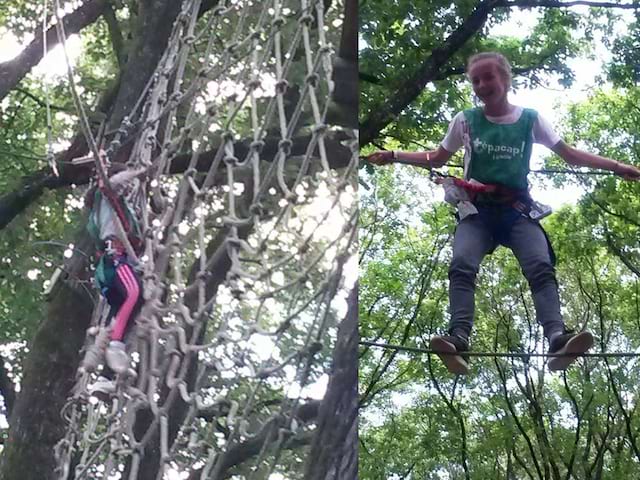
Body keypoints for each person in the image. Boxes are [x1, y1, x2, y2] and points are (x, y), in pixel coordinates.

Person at [367, 51, 640, 374]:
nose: (482, 85)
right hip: (477, 211)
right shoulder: (466, 120)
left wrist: (617, 166)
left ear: (506, 80)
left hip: (516, 211)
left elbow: (569, 155)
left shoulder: (530, 120)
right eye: (476, 80)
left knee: (540, 266)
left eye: (489, 78)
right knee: (462, 264)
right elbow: (438, 158)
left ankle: (557, 338)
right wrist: (395, 155)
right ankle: (458, 338)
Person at [85, 159, 146, 392]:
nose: (130, 188)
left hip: (116, 265)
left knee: (123, 314)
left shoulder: (121, 210)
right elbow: (112, 183)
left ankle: (105, 378)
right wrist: (138, 172)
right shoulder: (106, 198)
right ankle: (116, 347)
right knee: (135, 293)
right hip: (114, 261)